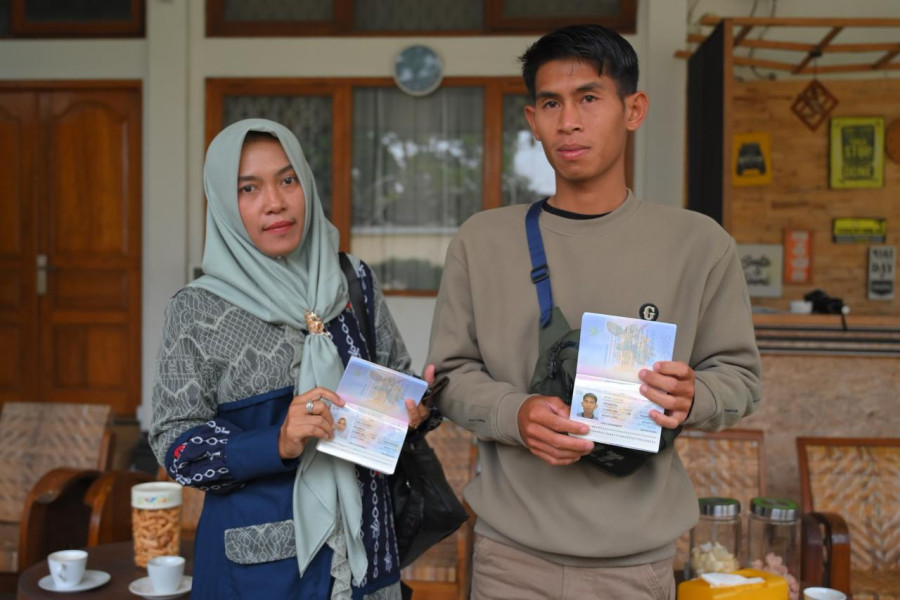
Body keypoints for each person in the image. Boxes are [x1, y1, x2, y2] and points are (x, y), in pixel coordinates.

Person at [427, 24, 761, 599]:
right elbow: (448, 376)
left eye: (589, 98)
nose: (569, 121)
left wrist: (693, 397)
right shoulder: (482, 241)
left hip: (637, 565)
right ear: (532, 122)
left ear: (634, 109)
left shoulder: (698, 244)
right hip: (510, 558)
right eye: (551, 103)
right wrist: (516, 412)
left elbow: (740, 380)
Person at [150, 119, 439, 600]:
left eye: (288, 180)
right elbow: (174, 444)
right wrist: (276, 441)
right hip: (261, 572)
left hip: (366, 558)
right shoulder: (198, 309)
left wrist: (416, 409)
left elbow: (395, 380)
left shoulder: (352, 281)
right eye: (249, 188)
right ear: (224, 203)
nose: (276, 202)